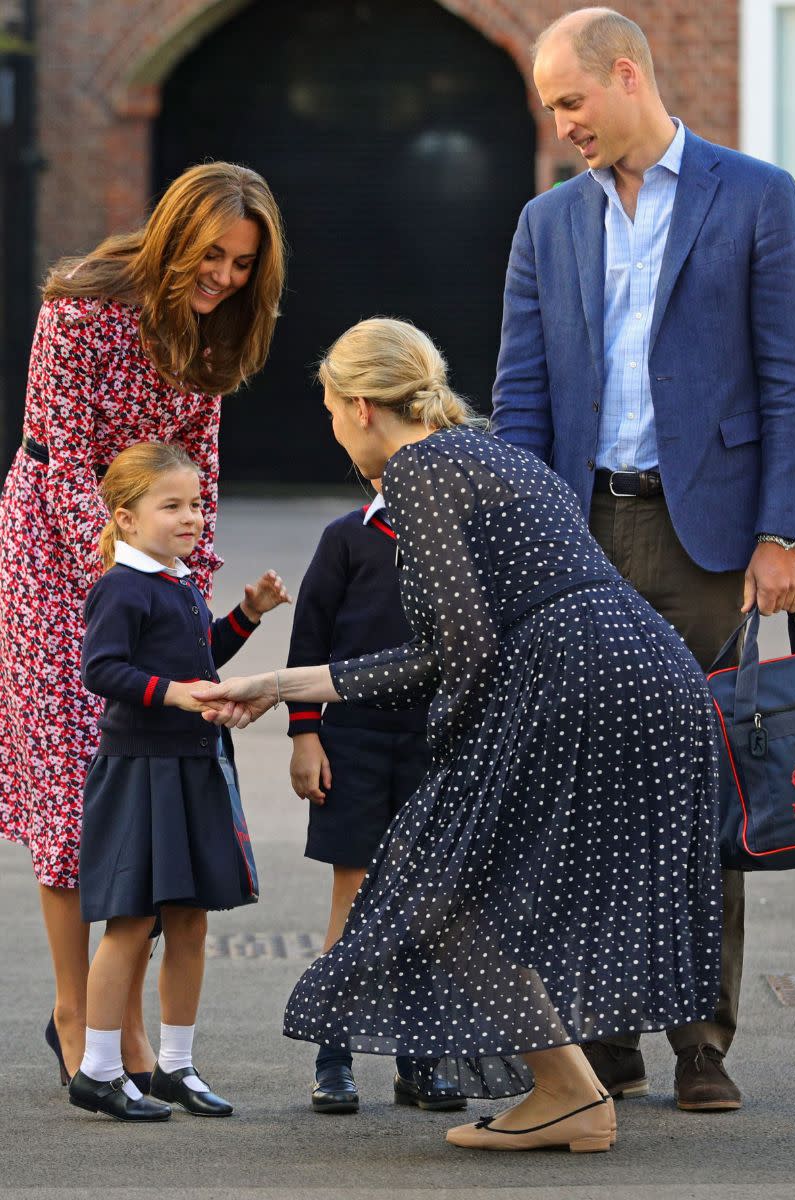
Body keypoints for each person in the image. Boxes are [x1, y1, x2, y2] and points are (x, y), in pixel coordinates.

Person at [194, 316, 722, 1154]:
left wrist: (449, 767)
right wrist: (283, 684)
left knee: (436, 883)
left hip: (571, 681)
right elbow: (462, 641)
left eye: (331, 411)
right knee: (502, 887)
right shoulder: (497, 453)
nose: (333, 432)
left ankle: (568, 1093)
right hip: (647, 674)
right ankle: (572, 1092)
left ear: (363, 406)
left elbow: (453, 651)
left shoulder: (418, 470)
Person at [491, 6, 795, 1112]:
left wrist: (780, 533)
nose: (561, 123)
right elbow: (519, 395)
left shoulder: (756, 196)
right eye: (549, 109)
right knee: (588, 787)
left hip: (707, 541)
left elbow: (787, 378)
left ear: (625, 75)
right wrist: (519, 540)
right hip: (580, 535)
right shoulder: (545, 225)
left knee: (702, 786)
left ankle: (700, 1043)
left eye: (569, 101)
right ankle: (604, 1036)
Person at [0, 160, 285, 1088]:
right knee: (73, 785)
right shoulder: (82, 306)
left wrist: (190, 591)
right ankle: (80, 1014)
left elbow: (199, 461)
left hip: (155, 556)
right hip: (58, 550)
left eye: (243, 265)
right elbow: (61, 459)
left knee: (147, 777)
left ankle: (122, 1022)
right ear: (172, 236)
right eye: (212, 255)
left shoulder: (214, 332)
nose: (224, 278)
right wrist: (125, 574)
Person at [68, 440, 290, 1122]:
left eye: (195, 503)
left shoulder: (179, 579)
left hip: (194, 767)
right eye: (172, 505)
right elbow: (102, 672)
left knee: (190, 921)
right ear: (127, 518)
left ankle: (174, 1066)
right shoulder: (120, 585)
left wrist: (247, 615)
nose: (191, 516)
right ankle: (99, 1072)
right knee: (131, 922)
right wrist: (178, 696)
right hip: (141, 773)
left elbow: (199, 657)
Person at [286, 481, 457, 1113]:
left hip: (434, 743)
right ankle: (332, 1056)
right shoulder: (347, 538)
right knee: (353, 896)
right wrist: (306, 736)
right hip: (351, 738)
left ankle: (420, 1060)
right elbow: (308, 644)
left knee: (425, 902)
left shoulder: (459, 539)